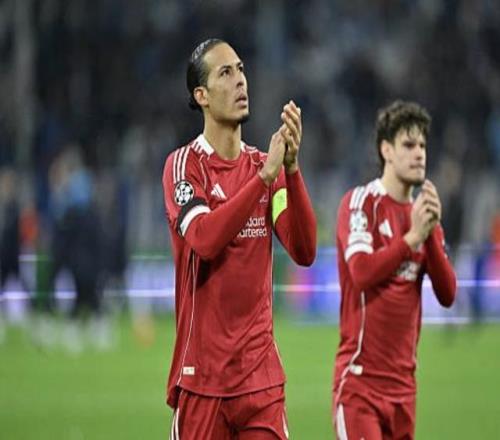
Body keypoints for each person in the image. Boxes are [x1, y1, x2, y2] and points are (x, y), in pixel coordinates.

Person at [162, 39, 316, 439]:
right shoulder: (184, 166)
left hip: (260, 382)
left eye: (242, 70)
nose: (240, 81)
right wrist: (262, 179)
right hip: (202, 381)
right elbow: (204, 239)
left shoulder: (264, 166)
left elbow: (303, 250)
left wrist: (292, 170)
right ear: (202, 96)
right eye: (225, 73)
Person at [332, 100, 456, 440]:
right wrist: (412, 238)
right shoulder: (361, 204)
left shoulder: (423, 217)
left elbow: (447, 294)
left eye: (423, 146)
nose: (419, 154)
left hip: (404, 392)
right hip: (360, 386)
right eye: (409, 145)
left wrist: (429, 234)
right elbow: (361, 273)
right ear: (386, 149)